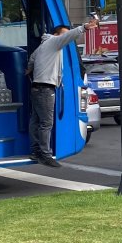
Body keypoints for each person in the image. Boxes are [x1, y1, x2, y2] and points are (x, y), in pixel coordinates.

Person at [27, 18, 99, 167]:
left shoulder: (42, 46)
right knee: (46, 123)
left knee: (36, 120)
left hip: (36, 87)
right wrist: (85, 27)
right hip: (46, 88)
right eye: (63, 35)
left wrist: (29, 71)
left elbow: (31, 61)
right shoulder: (54, 42)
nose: (65, 39)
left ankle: (35, 151)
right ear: (56, 34)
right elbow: (69, 36)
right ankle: (45, 155)